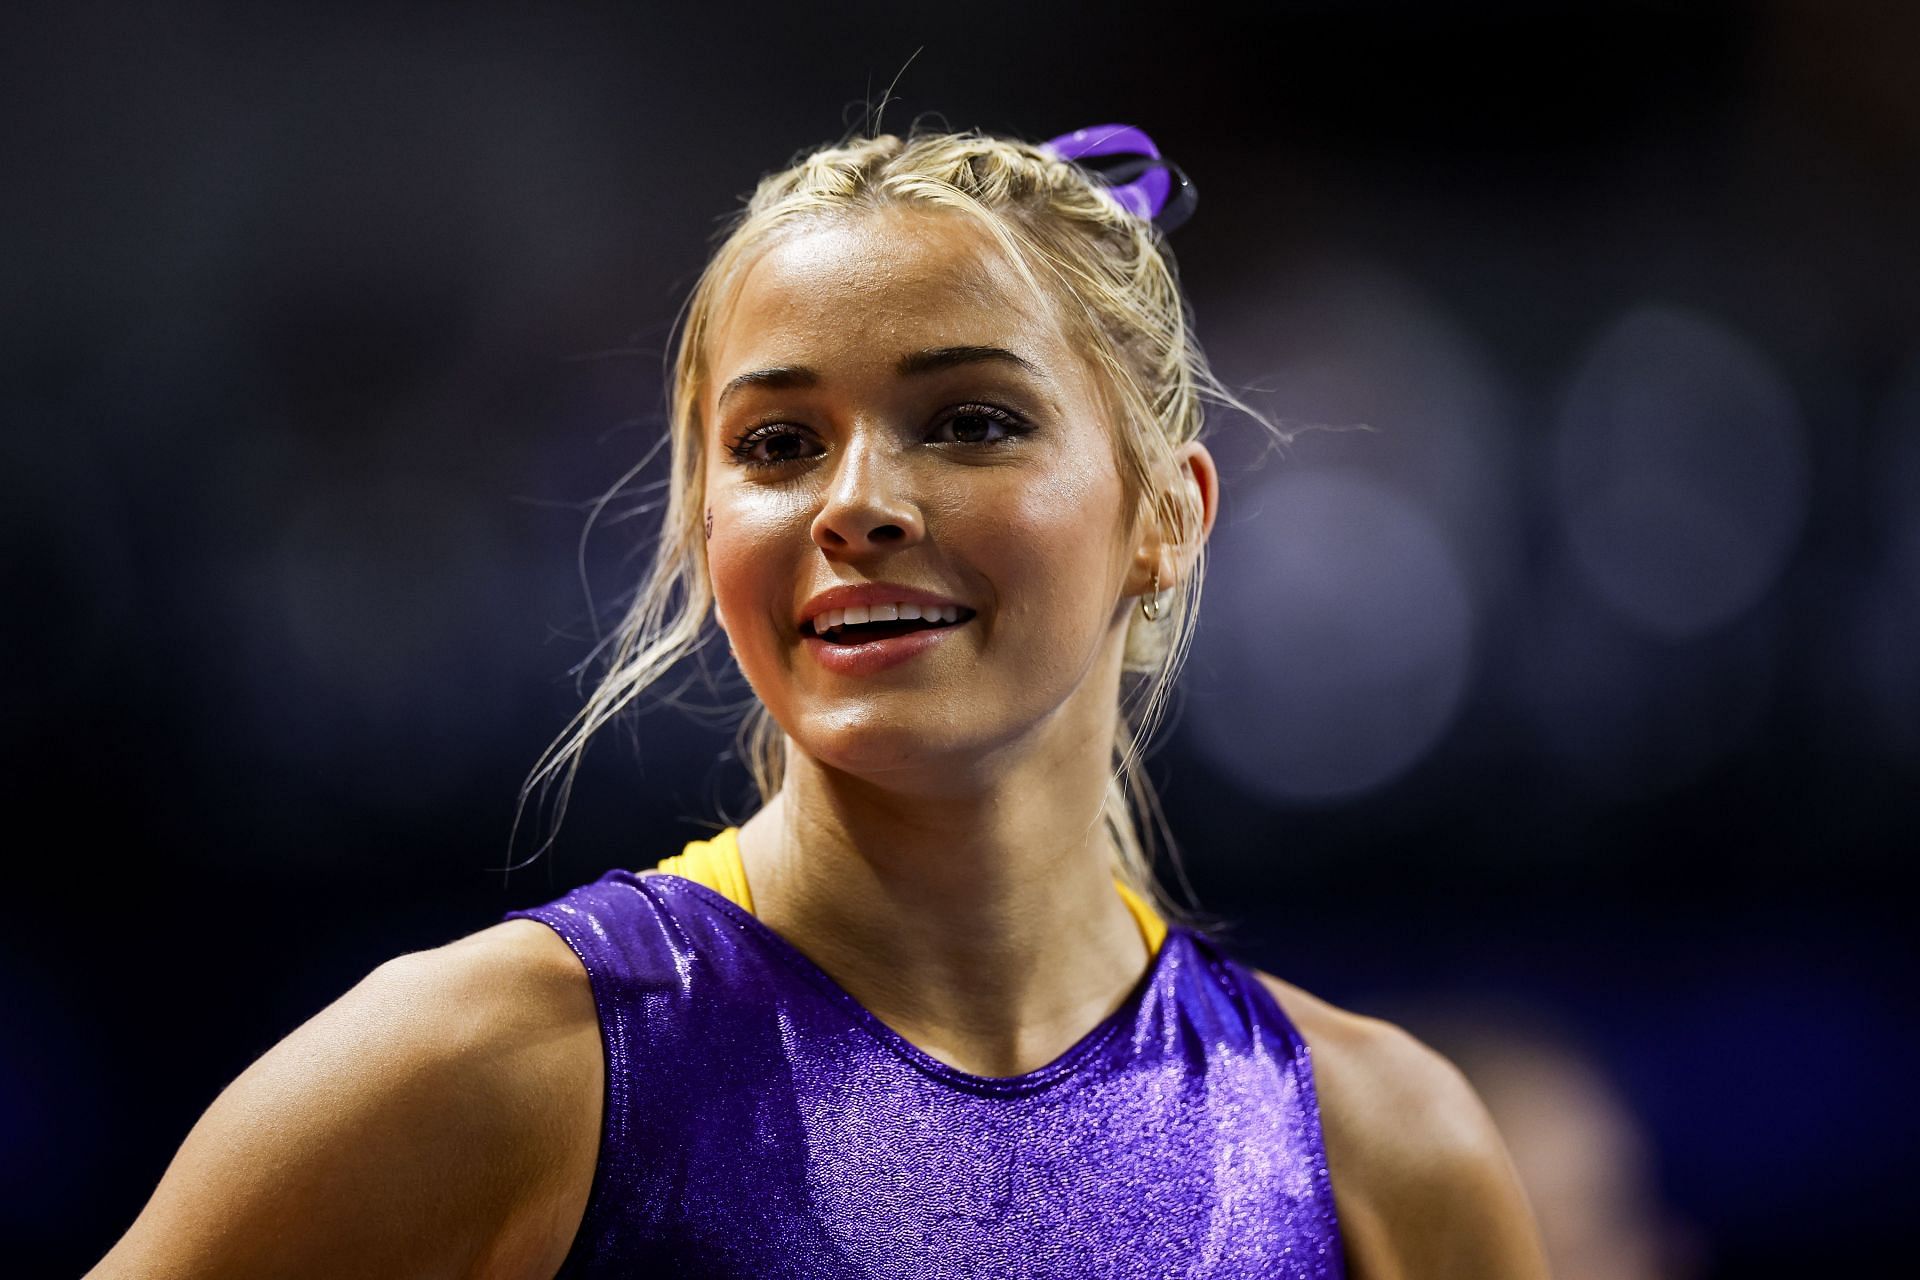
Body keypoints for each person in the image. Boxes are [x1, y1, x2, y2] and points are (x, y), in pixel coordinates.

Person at [86, 125, 1550, 1279]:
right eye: (780, 441)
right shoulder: (495, 1066)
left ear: (1165, 514)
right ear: (703, 521)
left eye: (970, 421)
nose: (856, 503)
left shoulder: (1370, 1144)